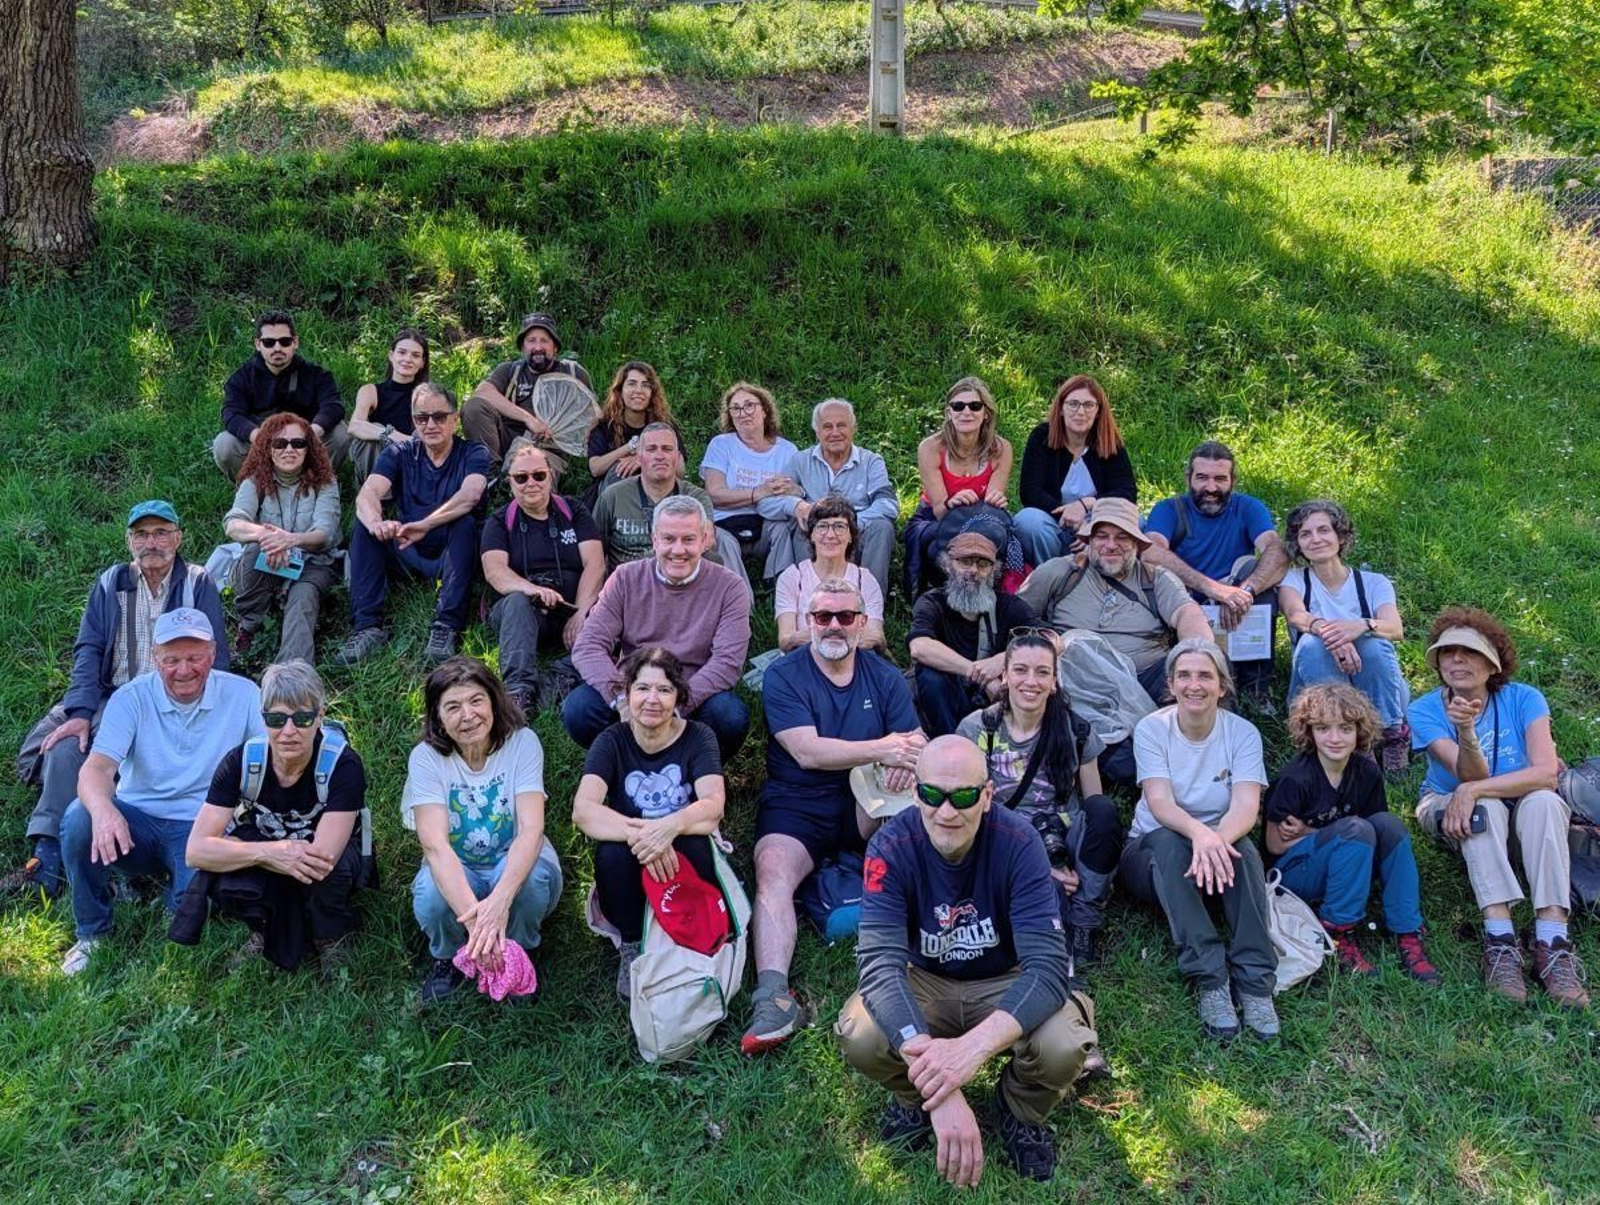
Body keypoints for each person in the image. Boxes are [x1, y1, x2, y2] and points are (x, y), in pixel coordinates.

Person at [835, 735, 1094, 1186]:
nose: (947, 811)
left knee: (1064, 1045)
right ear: (915, 793)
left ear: (988, 796)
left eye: (965, 796)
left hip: (1003, 978)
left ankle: (1019, 1108)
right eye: (933, 794)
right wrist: (944, 1089)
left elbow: (1049, 969)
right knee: (860, 1033)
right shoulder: (890, 846)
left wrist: (968, 1053)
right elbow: (880, 967)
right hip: (926, 981)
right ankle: (916, 1098)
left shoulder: (1020, 841)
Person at [6, 501, 229, 901]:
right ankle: (49, 852)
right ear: (129, 541)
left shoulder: (198, 582)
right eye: (141, 534)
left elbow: (217, 656)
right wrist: (78, 712)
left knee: (85, 749)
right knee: (64, 742)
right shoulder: (111, 583)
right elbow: (89, 650)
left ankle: (114, 855)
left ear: (178, 538)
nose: (152, 543)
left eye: (161, 532)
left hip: (174, 695)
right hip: (114, 695)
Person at [746, 578, 924, 1055]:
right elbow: (807, 752)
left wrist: (905, 764)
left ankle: (931, 952)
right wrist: (886, 748)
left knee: (919, 820)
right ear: (809, 622)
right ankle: (772, 995)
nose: (834, 626)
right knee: (773, 873)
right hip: (797, 800)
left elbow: (916, 741)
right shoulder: (785, 674)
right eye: (823, 616)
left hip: (866, 801)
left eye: (846, 617)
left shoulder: (883, 675)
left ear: (862, 624)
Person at [57, 609, 264, 975]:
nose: (183, 670)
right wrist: (105, 811)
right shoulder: (131, 697)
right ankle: (92, 932)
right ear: (155, 658)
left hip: (203, 824)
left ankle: (171, 892)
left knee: (194, 909)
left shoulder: (244, 694)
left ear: (213, 654)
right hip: (136, 822)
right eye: (171, 660)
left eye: (194, 658)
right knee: (79, 816)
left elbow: (271, 758)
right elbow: (98, 768)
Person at [1408, 608, 1588, 1008]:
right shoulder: (1424, 709)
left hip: (1517, 804)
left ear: (1493, 664)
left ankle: (1552, 941)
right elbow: (1463, 775)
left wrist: (1472, 790)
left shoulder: (1524, 698)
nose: (1456, 659)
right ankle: (1500, 939)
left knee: (1542, 801)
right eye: (1447, 651)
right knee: (1484, 805)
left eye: (1468, 652)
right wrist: (1466, 733)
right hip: (1447, 805)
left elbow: (1544, 775)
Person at [1117, 639, 1277, 1042]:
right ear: (1170, 684)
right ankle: (1211, 979)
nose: (1195, 685)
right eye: (1184, 675)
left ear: (1222, 686)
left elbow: (1245, 806)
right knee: (1170, 842)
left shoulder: (1242, 733)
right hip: (1152, 857)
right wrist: (1201, 834)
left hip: (1215, 851)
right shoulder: (1153, 729)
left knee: (1245, 849)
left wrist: (1216, 840)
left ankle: (1256, 983)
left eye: (1205, 675)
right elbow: (1159, 802)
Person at [181, 661, 368, 973]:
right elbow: (195, 851)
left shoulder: (343, 764)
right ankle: (263, 927)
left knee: (327, 871)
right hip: (271, 849)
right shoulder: (240, 760)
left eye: (303, 718)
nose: (289, 731)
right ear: (263, 718)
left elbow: (324, 856)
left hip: (326, 857)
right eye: (277, 719)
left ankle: (328, 934)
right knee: (219, 872)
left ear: (320, 716)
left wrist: (278, 854)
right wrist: (268, 853)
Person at [402, 657, 563, 1005]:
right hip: (461, 867)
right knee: (430, 893)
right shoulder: (425, 758)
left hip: (515, 858)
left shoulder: (523, 743)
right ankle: (447, 957)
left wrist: (500, 902)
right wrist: (478, 926)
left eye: (477, 700)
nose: (468, 715)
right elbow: (435, 848)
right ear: (439, 720)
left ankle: (517, 952)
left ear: (494, 702)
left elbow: (532, 830)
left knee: (532, 881)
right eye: (453, 707)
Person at [956, 632, 1121, 968]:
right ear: (1004, 676)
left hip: (1061, 831)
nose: (1031, 682)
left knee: (1104, 811)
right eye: (1020, 670)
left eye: (1042, 672)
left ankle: (1086, 915)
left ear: (1055, 681)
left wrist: (1073, 858)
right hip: (1002, 838)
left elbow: (1094, 802)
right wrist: (1042, 865)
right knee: (1047, 891)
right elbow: (968, 811)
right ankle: (1060, 947)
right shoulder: (978, 729)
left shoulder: (1077, 730)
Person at [571, 648, 729, 996]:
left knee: (694, 842)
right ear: (627, 695)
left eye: (664, 690)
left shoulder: (699, 736)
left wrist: (668, 828)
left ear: (679, 698)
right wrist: (646, 837)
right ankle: (632, 944)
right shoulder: (611, 740)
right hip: (633, 855)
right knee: (611, 854)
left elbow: (713, 804)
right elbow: (584, 809)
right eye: (642, 689)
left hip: (685, 847)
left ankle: (696, 933)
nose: (652, 700)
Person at [1264, 683, 1439, 982]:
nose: (1334, 738)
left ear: (1360, 731)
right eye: (1323, 728)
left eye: (1345, 728)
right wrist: (1325, 834)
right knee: (1356, 830)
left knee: (1390, 825)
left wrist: (1310, 829)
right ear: (1309, 731)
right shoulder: (1295, 778)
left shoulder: (1367, 772)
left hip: (1345, 858)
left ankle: (1406, 929)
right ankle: (1337, 931)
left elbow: (1377, 831)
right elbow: (1274, 845)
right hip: (1293, 876)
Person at [565, 496, 752, 761]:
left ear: (705, 539)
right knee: (579, 708)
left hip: (693, 694)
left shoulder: (730, 587)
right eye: (668, 539)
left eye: (688, 539)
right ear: (654, 540)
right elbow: (588, 645)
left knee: (729, 715)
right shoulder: (625, 577)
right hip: (632, 691)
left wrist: (673, 705)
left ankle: (694, 768)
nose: (678, 550)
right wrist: (623, 700)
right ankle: (623, 761)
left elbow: (727, 663)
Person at [335, 382, 490, 667]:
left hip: (453, 552)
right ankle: (367, 627)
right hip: (407, 544)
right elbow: (368, 493)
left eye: (440, 416)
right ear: (413, 421)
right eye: (422, 418)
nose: (431, 424)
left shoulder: (473, 453)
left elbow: (470, 495)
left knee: (465, 523)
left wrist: (426, 524)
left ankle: (446, 627)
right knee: (363, 528)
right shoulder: (400, 452)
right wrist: (375, 522)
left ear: (455, 419)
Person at [1143, 440, 1289, 709]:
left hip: (1236, 601)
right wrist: (1213, 589)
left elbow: (1277, 551)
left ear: (1233, 480)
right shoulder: (1169, 509)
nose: (1211, 488)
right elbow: (1150, 550)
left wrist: (1246, 591)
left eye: (1220, 479)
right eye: (1202, 478)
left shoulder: (1248, 507)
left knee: (1266, 588)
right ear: (1188, 478)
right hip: (1186, 602)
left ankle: (1257, 686)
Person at [1018, 497, 1209, 702]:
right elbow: (1016, 615)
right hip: (1072, 680)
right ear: (1089, 540)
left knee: (1206, 666)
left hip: (1143, 682)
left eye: (1122, 537)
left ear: (1136, 544)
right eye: (1102, 536)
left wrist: (1195, 656)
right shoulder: (1060, 572)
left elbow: (1188, 613)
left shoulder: (1155, 578)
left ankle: (1212, 733)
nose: (1111, 545)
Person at [1278, 499, 1411, 776]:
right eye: (1305, 534)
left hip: (1379, 686)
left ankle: (1391, 733)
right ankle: (1356, 742)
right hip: (1315, 684)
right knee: (1312, 645)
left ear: (1340, 536)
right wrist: (1334, 636)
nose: (1315, 539)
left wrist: (1361, 626)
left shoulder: (1373, 582)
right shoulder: (1293, 580)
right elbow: (1296, 616)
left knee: (1374, 645)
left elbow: (1395, 628)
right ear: (1298, 544)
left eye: (1323, 530)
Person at [481, 438, 605, 713]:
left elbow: (595, 564)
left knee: (613, 615)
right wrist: (531, 591)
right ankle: (518, 693)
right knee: (516, 602)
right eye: (521, 478)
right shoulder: (499, 522)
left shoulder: (574, 511)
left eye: (538, 475)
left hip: (571, 606)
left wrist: (582, 611)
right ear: (510, 482)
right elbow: (495, 571)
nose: (531, 483)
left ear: (550, 476)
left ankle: (557, 678)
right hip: (523, 613)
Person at [223, 412, 340, 664]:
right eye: (280, 443)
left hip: (312, 563)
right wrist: (267, 535)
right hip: (268, 560)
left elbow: (324, 533)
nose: (290, 449)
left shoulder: (326, 482)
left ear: (309, 449)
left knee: (303, 597)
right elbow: (233, 523)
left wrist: (291, 540)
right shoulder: (255, 481)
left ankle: (291, 676)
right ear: (268, 448)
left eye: (298, 443)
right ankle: (251, 626)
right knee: (254, 550)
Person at [757, 399, 899, 598]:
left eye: (841, 425)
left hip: (858, 535)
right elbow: (765, 503)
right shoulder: (800, 461)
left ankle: (869, 604)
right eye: (827, 426)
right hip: (816, 536)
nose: (835, 432)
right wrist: (797, 506)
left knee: (882, 527)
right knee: (804, 524)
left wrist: (848, 524)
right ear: (817, 432)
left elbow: (889, 505)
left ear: (853, 428)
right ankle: (812, 602)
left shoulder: (871, 461)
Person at [908, 523, 1038, 737]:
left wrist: (1003, 659)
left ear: (993, 571)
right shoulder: (933, 602)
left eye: (983, 564)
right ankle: (950, 747)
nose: (974, 571)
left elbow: (1053, 641)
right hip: (947, 702)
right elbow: (920, 647)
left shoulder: (1009, 605)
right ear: (948, 565)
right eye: (965, 562)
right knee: (930, 674)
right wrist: (981, 675)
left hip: (996, 704)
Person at [591, 422, 743, 580]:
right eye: (651, 449)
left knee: (712, 560)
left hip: (679, 578)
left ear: (677, 457)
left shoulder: (696, 497)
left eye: (667, 449)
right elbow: (594, 553)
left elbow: (707, 541)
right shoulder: (613, 496)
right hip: (630, 584)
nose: (659, 456)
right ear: (638, 456)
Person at [902, 377, 1013, 593]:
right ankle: (943, 597)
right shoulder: (931, 447)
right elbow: (940, 510)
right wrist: (953, 504)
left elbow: (992, 505)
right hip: (935, 517)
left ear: (986, 413)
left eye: (975, 406)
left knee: (1000, 539)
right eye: (958, 406)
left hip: (982, 519)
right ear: (949, 413)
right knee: (939, 544)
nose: (966, 412)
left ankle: (996, 597)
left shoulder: (1001, 448)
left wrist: (996, 499)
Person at [1014, 375, 1136, 568]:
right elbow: (1030, 492)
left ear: (1098, 411)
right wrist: (1069, 518)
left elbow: (1126, 493)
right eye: (1073, 404)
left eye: (1089, 405)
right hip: (1053, 522)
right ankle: (1051, 576)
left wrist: (1088, 513)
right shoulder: (1042, 437)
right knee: (1027, 520)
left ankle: (1107, 578)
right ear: (1061, 408)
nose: (1080, 412)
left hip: (1097, 522)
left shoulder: (1109, 440)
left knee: (1138, 519)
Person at [214, 309, 348, 478]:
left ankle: (315, 482)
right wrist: (258, 436)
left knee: (341, 434)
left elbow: (333, 406)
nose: (277, 348)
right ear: (258, 344)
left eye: (285, 341)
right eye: (269, 342)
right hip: (260, 443)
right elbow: (231, 414)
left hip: (305, 443)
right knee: (224, 444)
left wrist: (309, 433)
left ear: (295, 342)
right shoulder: (241, 378)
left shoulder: (317, 375)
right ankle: (256, 489)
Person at [461, 312, 593, 470]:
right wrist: (528, 419)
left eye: (544, 340)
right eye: (531, 341)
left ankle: (522, 480)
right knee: (474, 407)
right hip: (508, 437)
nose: (538, 347)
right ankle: (490, 472)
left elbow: (592, 414)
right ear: (523, 346)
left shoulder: (572, 372)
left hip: (550, 446)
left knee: (533, 483)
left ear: (555, 347)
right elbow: (483, 392)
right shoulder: (510, 370)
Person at [698, 381, 802, 569]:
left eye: (749, 405)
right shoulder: (721, 445)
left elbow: (795, 492)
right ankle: (739, 596)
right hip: (726, 523)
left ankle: (782, 587)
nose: (742, 413)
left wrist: (795, 490)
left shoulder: (787, 450)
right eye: (735, 409)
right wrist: (758, 493)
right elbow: (714, 494)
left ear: (765, 410)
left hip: (768, 522)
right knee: (725, 542)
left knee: (782, 530)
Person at [773, 496, 886, 654]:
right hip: (804, 658)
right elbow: (786, 640)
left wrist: (824, 634)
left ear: (850, 536)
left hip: (854, 659)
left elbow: (877, 637)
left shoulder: (865, 580)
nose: (830, 535)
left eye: (839, 527)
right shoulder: (792, 577)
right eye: (822, 526)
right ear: (811, 535)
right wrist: (839, 634)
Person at [585, 361, 677, 502]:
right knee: (619, 471)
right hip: (610, 495)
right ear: (620, 390)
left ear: (652, 393)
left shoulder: (663, 425)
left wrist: (643, 459)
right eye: (632, 384)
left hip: (656, 492)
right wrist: (631, 446)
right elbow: (595, 468)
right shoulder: (605, 425)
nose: (638, 390)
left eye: (645, 385)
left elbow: (681, 469)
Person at [348, 328, 429, 482]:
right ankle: (375, 497)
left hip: (411, 463)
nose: (408, 359)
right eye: (402, 352)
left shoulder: (428, 396)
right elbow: (355, 425)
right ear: (391, 356)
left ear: (422, 363)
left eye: (415, 355)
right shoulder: (370, 391)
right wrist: (390, 435)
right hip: (374, 464)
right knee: (370, 437)